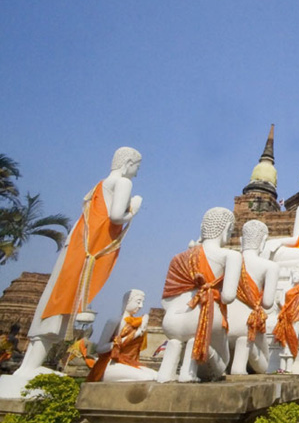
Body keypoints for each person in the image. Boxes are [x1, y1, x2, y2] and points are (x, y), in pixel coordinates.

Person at [12, 147, 142, 381]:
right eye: (137, 167)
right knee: (63, 299)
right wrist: (133, 209)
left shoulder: (99, 185)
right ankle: (29, 368)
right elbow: (115, 217)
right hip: (87, 249)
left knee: (58, 297)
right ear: (128, 163)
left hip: (77, 245)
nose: (137, 173)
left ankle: (29, 365)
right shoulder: (123, 183)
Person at [157, 208, 242, 383]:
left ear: (203, 227)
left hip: (172, 321)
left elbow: (167, 299)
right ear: (227, 229)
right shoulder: (231, 256)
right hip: (206, 317)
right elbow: (228, 297)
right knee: (221, 365)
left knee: (176, 341)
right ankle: (190, 365)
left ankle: (165, 372)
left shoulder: (179, 257)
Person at [227, 220, 279, 374]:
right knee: (264, 366)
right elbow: (268, 303)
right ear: (263, 242)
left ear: (242, 241)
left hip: (222, 323)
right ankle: (241, 359)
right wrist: (254, 297)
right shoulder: (269, 266)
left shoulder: (227, 260)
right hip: (247, 323)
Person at [86, 289, 157, 382]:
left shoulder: (136, 322)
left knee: (157, 376)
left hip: (126, 363)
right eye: (138, 302)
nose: (141, 306)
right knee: (147, 378)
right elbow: (100, 348)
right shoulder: (114, 321)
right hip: (109, 363)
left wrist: (145, 320)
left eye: (142, 302)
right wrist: (134, 335)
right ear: (127, 301)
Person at [273, 270, 299, 371]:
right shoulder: (286, 289)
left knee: (292, 339)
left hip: (297, 319)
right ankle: (282, 368)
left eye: (297, 275)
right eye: (294, 275)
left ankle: (288, 368)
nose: (295, 277)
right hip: (286, 317)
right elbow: (281, 302)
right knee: (284, 341)